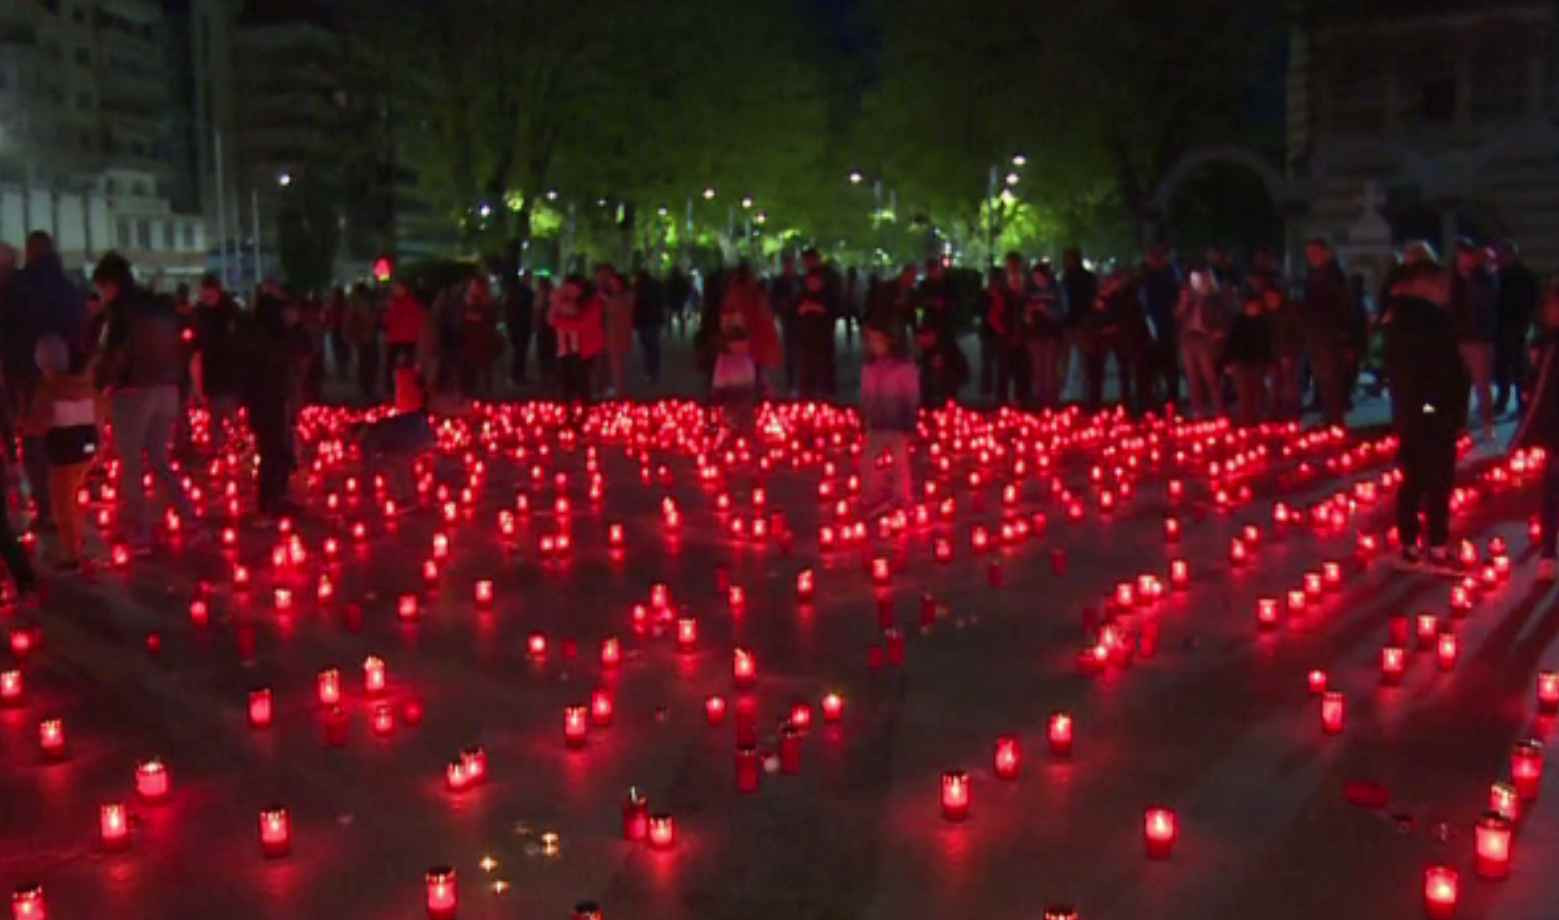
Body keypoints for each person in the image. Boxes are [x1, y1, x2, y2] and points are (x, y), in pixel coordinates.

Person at [91, 252, 198, 552]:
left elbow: (115, 353)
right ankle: (187, 514)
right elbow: (181, 344)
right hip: (168, 390)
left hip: (134, 392)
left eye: (102, 288)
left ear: (111, 284)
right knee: (159, 457)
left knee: (132, 462)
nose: (102, 294)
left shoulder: (120, 311)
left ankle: (138, 530)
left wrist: (99, 384)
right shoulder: (159, 306)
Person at [1382, 261, 1468, 569]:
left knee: (1415, 476)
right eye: (1440, 285)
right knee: (1436, 478)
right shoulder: (1427, 319)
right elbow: (1432, 371)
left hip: (1414, 411)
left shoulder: (1398, 317)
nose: (1446, 291)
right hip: (1432, 411)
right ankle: (1436, 545)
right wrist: (1437, 408)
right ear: (1423, 284)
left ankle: (1410, 542)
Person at [4, 232, 86, 531]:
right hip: (66, 378)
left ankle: (47, 508)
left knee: (35, 444)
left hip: (28, 378)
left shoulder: (18, 286)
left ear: (30, 252)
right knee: (64, 442)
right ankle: (66, 502)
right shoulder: (70, 286)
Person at [25, 335, 99, 571]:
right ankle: (77, 539)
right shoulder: (85, 385)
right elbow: (101, 412)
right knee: (72, 497)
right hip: (87, 448)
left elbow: (41, 423)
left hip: (63, 451)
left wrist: (24, 425)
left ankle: (72, 556)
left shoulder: (48, 389)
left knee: (62, 506)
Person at [242, 283, 313, 521]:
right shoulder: (270, 335)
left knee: (278, 451)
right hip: (271, 398)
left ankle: (275, 499)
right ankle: (269, 503)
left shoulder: (259, 331)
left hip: (269, 398)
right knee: (274, 451)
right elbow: (299, 351)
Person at [1510, 279, 1559, 581]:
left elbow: (1541, 392)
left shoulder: (1553, 344)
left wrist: (1522, 435)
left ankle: (1549, 554)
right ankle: (1549, 552)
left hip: (1555, 425)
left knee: (1553, 489)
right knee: (1553, 487)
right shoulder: (1547, 341)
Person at [859, 321, 919, 515]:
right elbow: (866, 395)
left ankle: (902, 496)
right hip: (876, 423)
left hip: (896, 423)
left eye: (877, 340)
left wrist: (910, 423)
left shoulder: (904, 368)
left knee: (900, 461)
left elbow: (911, 396)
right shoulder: (869, 367)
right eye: (870, 340)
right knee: (868, 460)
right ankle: (872, 494)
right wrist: (865, 417)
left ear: (890, 341)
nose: (873, 344)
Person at [1300, 238, 1356, 426]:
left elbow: (1343, 307)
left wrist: (1344, 336)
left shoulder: (1334, 275)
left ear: (1326, 253)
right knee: (1323, 380)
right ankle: (1331, 418)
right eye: (1308, 254)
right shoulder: (1313, 275)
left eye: (1315, 252)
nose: (1311, 257)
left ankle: (1336, 421)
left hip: (1330, 336)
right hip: (1317, 335)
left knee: (1332, 381)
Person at [1078, 270, 1147, 413]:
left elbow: (1127, 317)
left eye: (1113, 282)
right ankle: (1094, 405)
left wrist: (1114, 325)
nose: (1109, 284)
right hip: (1100, 340)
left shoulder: (1126, 297)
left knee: (1125, 371)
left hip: (1121, 339)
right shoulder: (1098, 299)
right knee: (1096, 372)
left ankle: (1128, 403)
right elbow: (1090, 319)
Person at [1449, 239, 1498, 440]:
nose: (1462, 258)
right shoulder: (1454, 277)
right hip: (1458, 336)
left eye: (1465, 254)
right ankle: (1459, 423)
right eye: (1459, 254)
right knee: (1458, 384)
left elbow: (1487, 304)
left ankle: (1488, 423)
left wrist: (1473, 277)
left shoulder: (1483, 277)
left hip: (1478, 338)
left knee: (1481, 384)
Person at [190, 274, 244, 453]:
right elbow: (196, 347)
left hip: (230, 372)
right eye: (204, 295)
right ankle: (219, 449)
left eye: (210, 295)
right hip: (211, 373)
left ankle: (237, 448)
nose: (206, 299)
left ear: (217, 291)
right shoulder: (200, 313)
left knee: (231, 415)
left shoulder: (231, 311)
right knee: (215, 417)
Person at [1176, 269, 1232, 419]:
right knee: (1192, 377)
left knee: (1210, 376)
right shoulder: (1189, 300)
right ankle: (1198, 410)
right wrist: (1183, 302)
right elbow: (1178, 316)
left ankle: (1219, 409)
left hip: (1204, 339)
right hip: (1188, 339)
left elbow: (1225, 318)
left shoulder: (1215, 299)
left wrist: (1219, 333)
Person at [1492, 240, 1538, 418]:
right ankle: (1503, 400)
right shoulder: (1498, 274)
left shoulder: (1524, 275)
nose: (1500, 259)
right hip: (1500, 326)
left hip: (1518, 326)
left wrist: (1526, 322)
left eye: (1503, 255)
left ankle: (1522, 402)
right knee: (1501, 366)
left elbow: (1532, 299)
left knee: (1519, 368)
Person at [718, 264, 781, 392]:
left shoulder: (737, 292)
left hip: (742, 344)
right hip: (751, 344)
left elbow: (728, 316)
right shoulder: (755, 293)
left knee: (746, 377)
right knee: (755, 376)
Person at [1225, 278, 1275, 427]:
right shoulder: (1238, 322)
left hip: (1258, 363)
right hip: (1241, 363)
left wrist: (1268, 362)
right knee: (1244, 395)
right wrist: (1228, 362)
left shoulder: (1263, 322)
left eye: (1257, 306)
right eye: (1252, 306)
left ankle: (1257, 423)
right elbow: (1231, 343)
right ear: (1246, 306)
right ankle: (1247, 423)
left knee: (1258, 394)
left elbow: (1267, 344)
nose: (1255, 308)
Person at [1138, 244, 1182, 410]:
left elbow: (1173, 298)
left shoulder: (1169, 275)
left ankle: (1171, 400)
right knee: (1150, 364)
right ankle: (1153, 400)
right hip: (1149, 324)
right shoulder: (1146, 276)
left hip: (1165, 323)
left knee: (1169, 364)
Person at [549, 275, 603, 403]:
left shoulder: (592, 303)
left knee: (582, 381)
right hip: (567, 350)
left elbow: (581, 324)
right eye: (568, 289)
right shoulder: (565, 300)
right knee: (568, 381)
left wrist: (557, 321)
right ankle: (570, 407)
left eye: (573, 289)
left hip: (584, 348)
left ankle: (584, 406)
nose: (571, 292)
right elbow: (551, 316)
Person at [988, 252, 1031, 407]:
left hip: (1021, 333)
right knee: (1004, 370)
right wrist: (1003, 331)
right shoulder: (1001, 287)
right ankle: (1003, 402)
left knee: (1022, 370)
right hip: (1006, 334)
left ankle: (1021, 400)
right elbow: (994, 315)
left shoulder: (1026, 284)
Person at [1024, 262, 1066, 409]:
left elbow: (1063, 312)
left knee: (1050, 369)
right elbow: (1025, 315)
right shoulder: (1030, 291)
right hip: (1035, 335)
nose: (1037, 280)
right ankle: (1040, 400)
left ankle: (1051, 401)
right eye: (1034, 277)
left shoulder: (1056, 290)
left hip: (1052, 335)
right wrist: (1029, 314)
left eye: (1040, 277)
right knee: (1038, 369)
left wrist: (1047, 310)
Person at [1060, 248, 1098, 407]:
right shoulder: (1067, 277)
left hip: (1082, 322)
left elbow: (1090, 299)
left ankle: (1084, 393)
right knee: (1070, 360)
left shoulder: (1084, 278)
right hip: (1071, 322)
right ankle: (1073, 392)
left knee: (1084, 359)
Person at [457, 275, 501, 398]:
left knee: (485, 371)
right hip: (468, 342)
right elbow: (460, 319)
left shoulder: (487, 303)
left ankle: (485, 396)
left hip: (484, 342)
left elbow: (491, 320)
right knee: (469, 372)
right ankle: (469, 396)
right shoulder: (465, 302)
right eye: (473, 286)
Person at [795, 268, 835, 398]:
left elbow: (829, 311)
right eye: (809, 282)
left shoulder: (828, 295)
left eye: (815, 281)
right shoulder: (802, 295)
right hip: (805, 341)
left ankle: (826, 397)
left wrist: (813, 307)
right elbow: (797, 311)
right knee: (806, 373)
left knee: (824, 373)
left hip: (823, 341)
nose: (812, 284)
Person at [384, 281, 427, 394]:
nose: (395, 290)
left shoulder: (412, 303)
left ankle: (408, 389)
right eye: (394, 288)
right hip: (395, 339)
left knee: (407, 367)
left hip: (408, 339)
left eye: (398, 288)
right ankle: (394, 389)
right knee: (392, 366)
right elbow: (388, 321)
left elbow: (419, 320)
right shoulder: (393, 303)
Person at [598, 266, 635, 397]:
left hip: (618, 336)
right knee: (614, 365)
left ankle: (619, 392)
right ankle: (615, 389)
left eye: (614, 283)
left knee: (617, 366)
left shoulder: (624, 298)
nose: (612, 285)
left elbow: (617, 308)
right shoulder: (618, 297)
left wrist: (606, 300)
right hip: (613, 335)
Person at [770, 254, 803, 393]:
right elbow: (773, 300)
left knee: (801, 351)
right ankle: (791, 383)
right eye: (787, 265)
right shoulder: (779, 282)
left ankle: (800, 381)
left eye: (791, 264)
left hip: (802, 319)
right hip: (788, 319)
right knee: (789, 351)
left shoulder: (800, 280)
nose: (789, 267)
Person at [344, 283, 380, 403]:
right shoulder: (360, 304)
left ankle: (366, 389)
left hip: (366, 336)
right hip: (366, 337)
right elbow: (354, 320)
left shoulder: (357, 303)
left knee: (367, 363)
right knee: (367, 363)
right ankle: (366, 389)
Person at [632, 269, 665, 385]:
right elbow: (661, 302)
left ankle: (649, 371)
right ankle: (654, 372)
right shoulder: (656, 285)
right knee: (654, 347)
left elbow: (636, 305)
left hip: (644, 321)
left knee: (647, 347)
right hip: (654, 320)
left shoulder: (638, 287)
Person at [505, 273, 535, 387]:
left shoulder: (515, 293)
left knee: (519, 352)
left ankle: (517, 375)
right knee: (520, 352)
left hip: (517, 326)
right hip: (522, 326)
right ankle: (517, 375)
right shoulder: (527, 293)